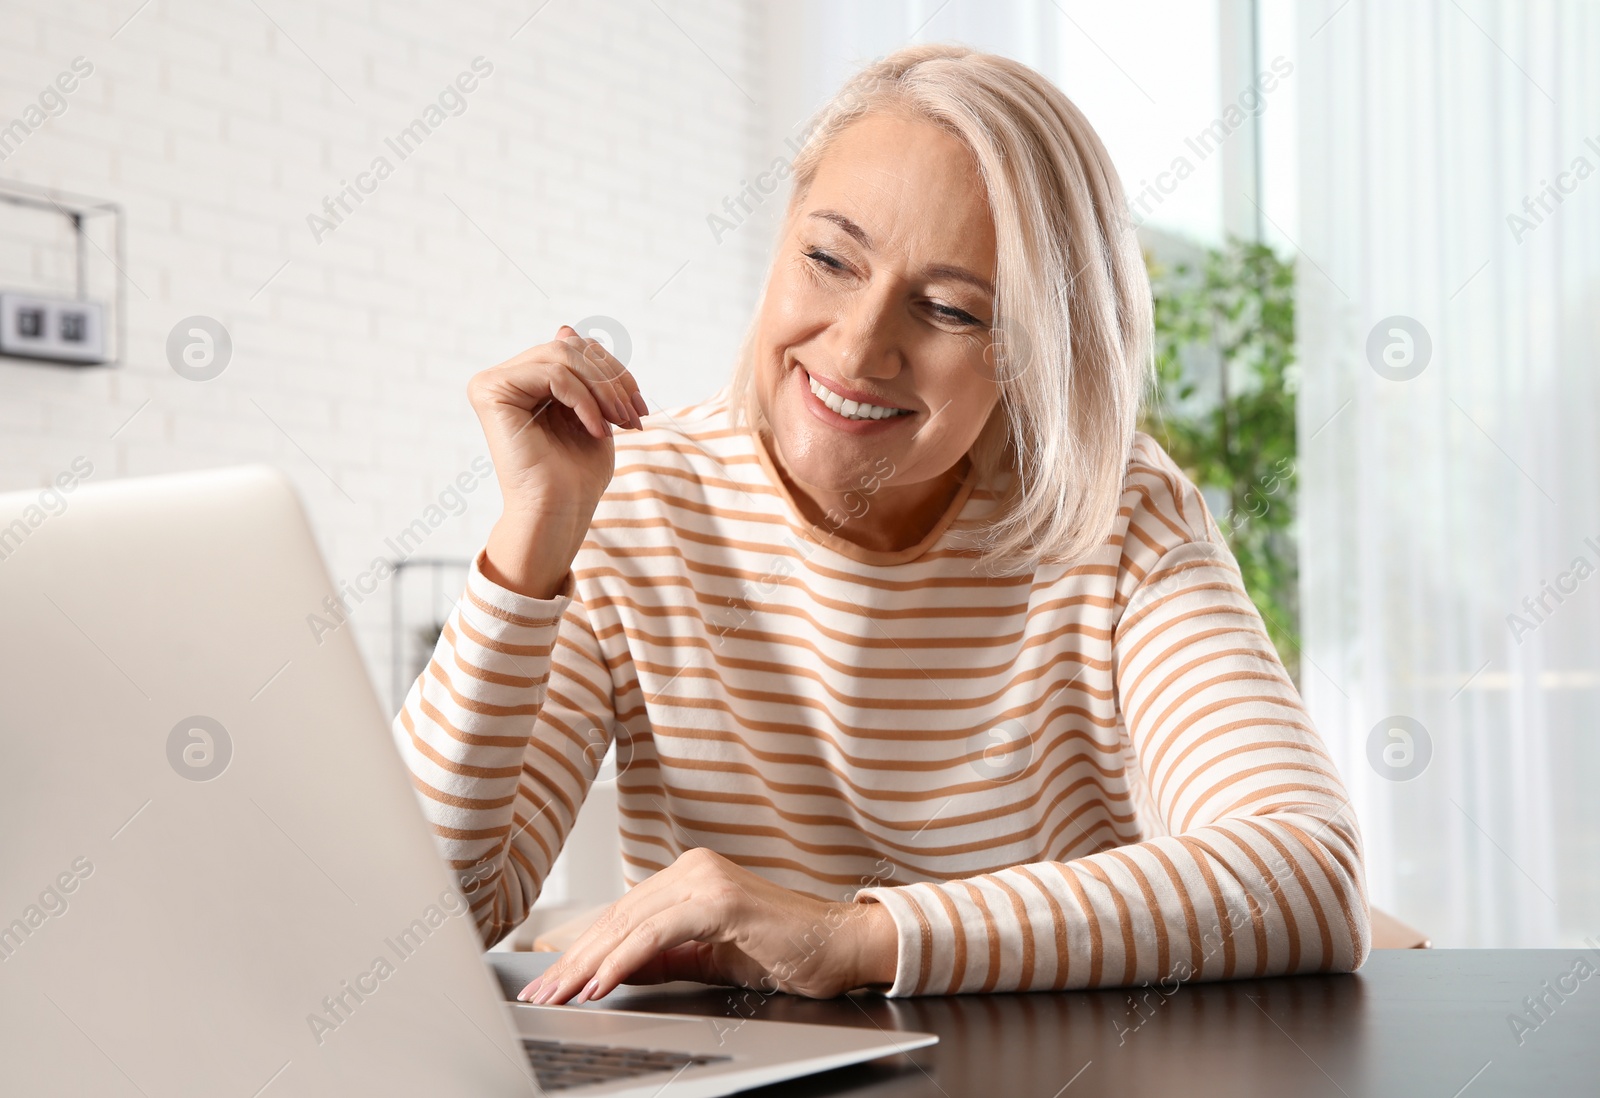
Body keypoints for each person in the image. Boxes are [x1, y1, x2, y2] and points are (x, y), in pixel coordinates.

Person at [395, 42, 1369, 1005]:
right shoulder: (636, 500)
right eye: (827, 259)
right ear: (777, 241)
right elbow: (420, 920)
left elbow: (1306, 870)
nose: (859, 347)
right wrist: (534, 533)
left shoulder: (1117, 515)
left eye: (948, 309)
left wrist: (854, 938)